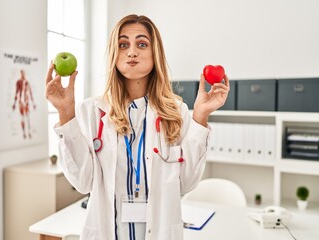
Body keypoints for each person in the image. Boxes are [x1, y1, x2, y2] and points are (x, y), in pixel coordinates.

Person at [46, 14, 229, 240]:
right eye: (123, 45)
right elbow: (83, 182)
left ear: (155, 54)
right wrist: (65, 113)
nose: (132, 52)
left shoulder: (176, 112)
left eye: (142, 44)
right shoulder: (91, 111)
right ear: (115, 54)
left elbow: (186, 183)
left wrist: (200, 116)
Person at [12, 69, 36, 139]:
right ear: (20, 74)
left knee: (28, 117)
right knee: (22, 117)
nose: (23, 75)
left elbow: (30, 93)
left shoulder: (27, 82)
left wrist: (33, 103)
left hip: (26, 101)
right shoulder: (18, 82)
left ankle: (29, 132)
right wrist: (14, 103)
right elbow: (16, 92)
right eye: (21, 73)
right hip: (21, 102)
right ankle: (24, 133)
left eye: (23, 73)